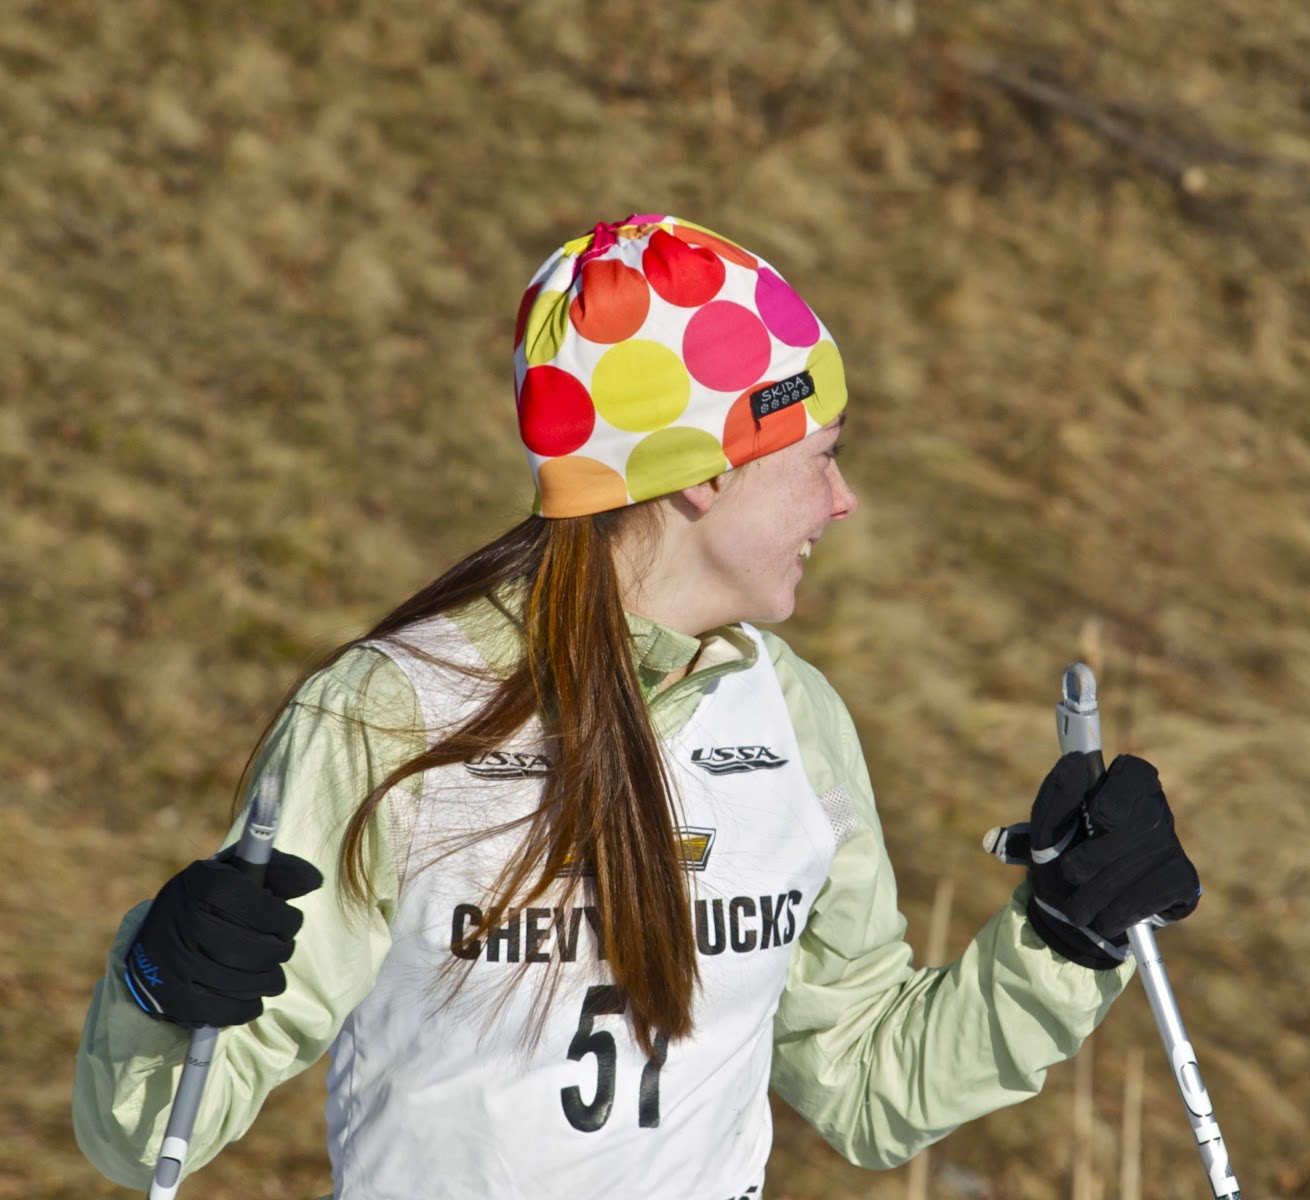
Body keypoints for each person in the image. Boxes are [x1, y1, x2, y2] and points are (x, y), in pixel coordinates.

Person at [74, 214, 1200, 1199]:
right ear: (706, 471)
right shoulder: (395, 712)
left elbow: (869, 1083)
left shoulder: (792, 714)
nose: (843, 500)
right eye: (820, 458)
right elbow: (150, 1136)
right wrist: (160, 983)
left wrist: (1066, 936)